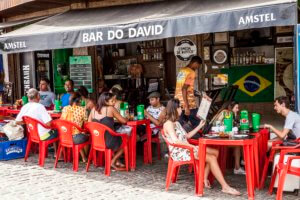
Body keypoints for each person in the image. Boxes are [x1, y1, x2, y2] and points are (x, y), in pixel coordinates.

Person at [163, 99, 240, 196]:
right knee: (211, 158)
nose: (181, 110)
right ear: (175, 109)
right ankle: (225, 186)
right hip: (181, 151)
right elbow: (175, 141)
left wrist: (199, 126)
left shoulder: (177, 123)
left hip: (187, 148)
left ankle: (203, 177)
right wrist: (191, 146)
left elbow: (187, 136)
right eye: (180, 108)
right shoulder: (168, 124)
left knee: (215, 152)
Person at [88, 92, 128, 170]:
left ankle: (117, 161)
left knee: (112, 137)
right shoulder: (111, 109)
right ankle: (113, 161)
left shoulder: (93, 109)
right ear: (106, 102)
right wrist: (127, 117)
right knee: (125, 141)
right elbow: (123, 121)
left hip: (97, 141)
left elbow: (89, 123)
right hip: (109, 142)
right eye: (112, 101)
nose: (114, 103)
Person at [15, 88, 58, 152]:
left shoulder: (25, 107)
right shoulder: (40, 106)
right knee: (58, 131)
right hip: (43, 135)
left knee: (53, 130)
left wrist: (28, 122)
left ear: (28, 97)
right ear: (38, 96)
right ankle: (58, 155)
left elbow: (17, 121)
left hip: (33, 134)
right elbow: (49, 124)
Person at [212, 101, 245, 175]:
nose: (238, 109)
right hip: (218, 139)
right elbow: (218, 124)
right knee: (238, 145)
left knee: (239, 144)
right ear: (230, 107)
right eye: (236, 107)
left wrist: (235, 117)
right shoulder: (225, 112)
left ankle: (242, 162)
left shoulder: (229, 114)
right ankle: (239, 165)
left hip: (222, 138)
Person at [175, 56, 202, 130]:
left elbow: (181, 87)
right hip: (188, 104)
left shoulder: (182, 70)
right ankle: (200, 140)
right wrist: (187, 106)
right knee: (198, 124)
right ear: (195, 63)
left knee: (180, 126)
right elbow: (184, 89)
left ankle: (183, 140)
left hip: (178, 102)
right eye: (198, 66)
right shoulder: (191, 72)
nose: (197, 68)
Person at [60, 92, 89, 162]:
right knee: (88, 137)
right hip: (76, 138)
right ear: (79, 100)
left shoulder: (65, 108)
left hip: (64, 136)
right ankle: (85, 157)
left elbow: (61, 121)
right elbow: (86, 125)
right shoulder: (82, 110)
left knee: (78, 134)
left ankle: (83, 157)